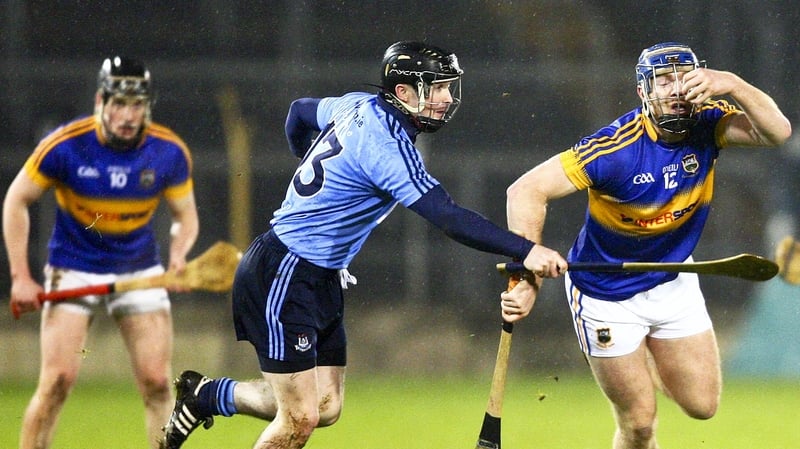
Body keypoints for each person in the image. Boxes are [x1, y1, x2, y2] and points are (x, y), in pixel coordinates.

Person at [158, 40, 567, 449]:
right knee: (299, 418)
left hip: (322, 275)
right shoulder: (385, 147)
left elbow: (299, 111)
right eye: (436, 87)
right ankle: (206, 398)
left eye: (447, 87)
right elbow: (447, 216)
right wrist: (526, 249)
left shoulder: (356, 104)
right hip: (286, 270)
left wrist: (309, 165)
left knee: (325, 404)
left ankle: (205, 396)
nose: (445, 98)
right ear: (403, 92)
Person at [503, 42, 791, 449]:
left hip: (673, 278)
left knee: (702, 406)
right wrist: (526, 274)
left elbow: (777, 133)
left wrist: (731, 84)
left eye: (684, 78)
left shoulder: (710, 122)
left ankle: (640, 363)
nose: (676, 89)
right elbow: (525, 191)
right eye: (664, 80)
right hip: (606, 292)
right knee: (639, 424)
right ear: (644, 92)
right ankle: (631, 367)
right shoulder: (615, 150)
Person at [3, 56, 199, 449]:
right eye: (118, 103)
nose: (128, 115)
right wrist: (21, 276)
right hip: (73, 268)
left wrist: (178, 255)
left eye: (137, 105)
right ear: (100, 101)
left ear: (147, 106)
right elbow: (15, 201)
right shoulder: (65, 145)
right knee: (57, 381)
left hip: (139, 270)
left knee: (160, 384)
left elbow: (185, 217)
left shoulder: (169, 151)